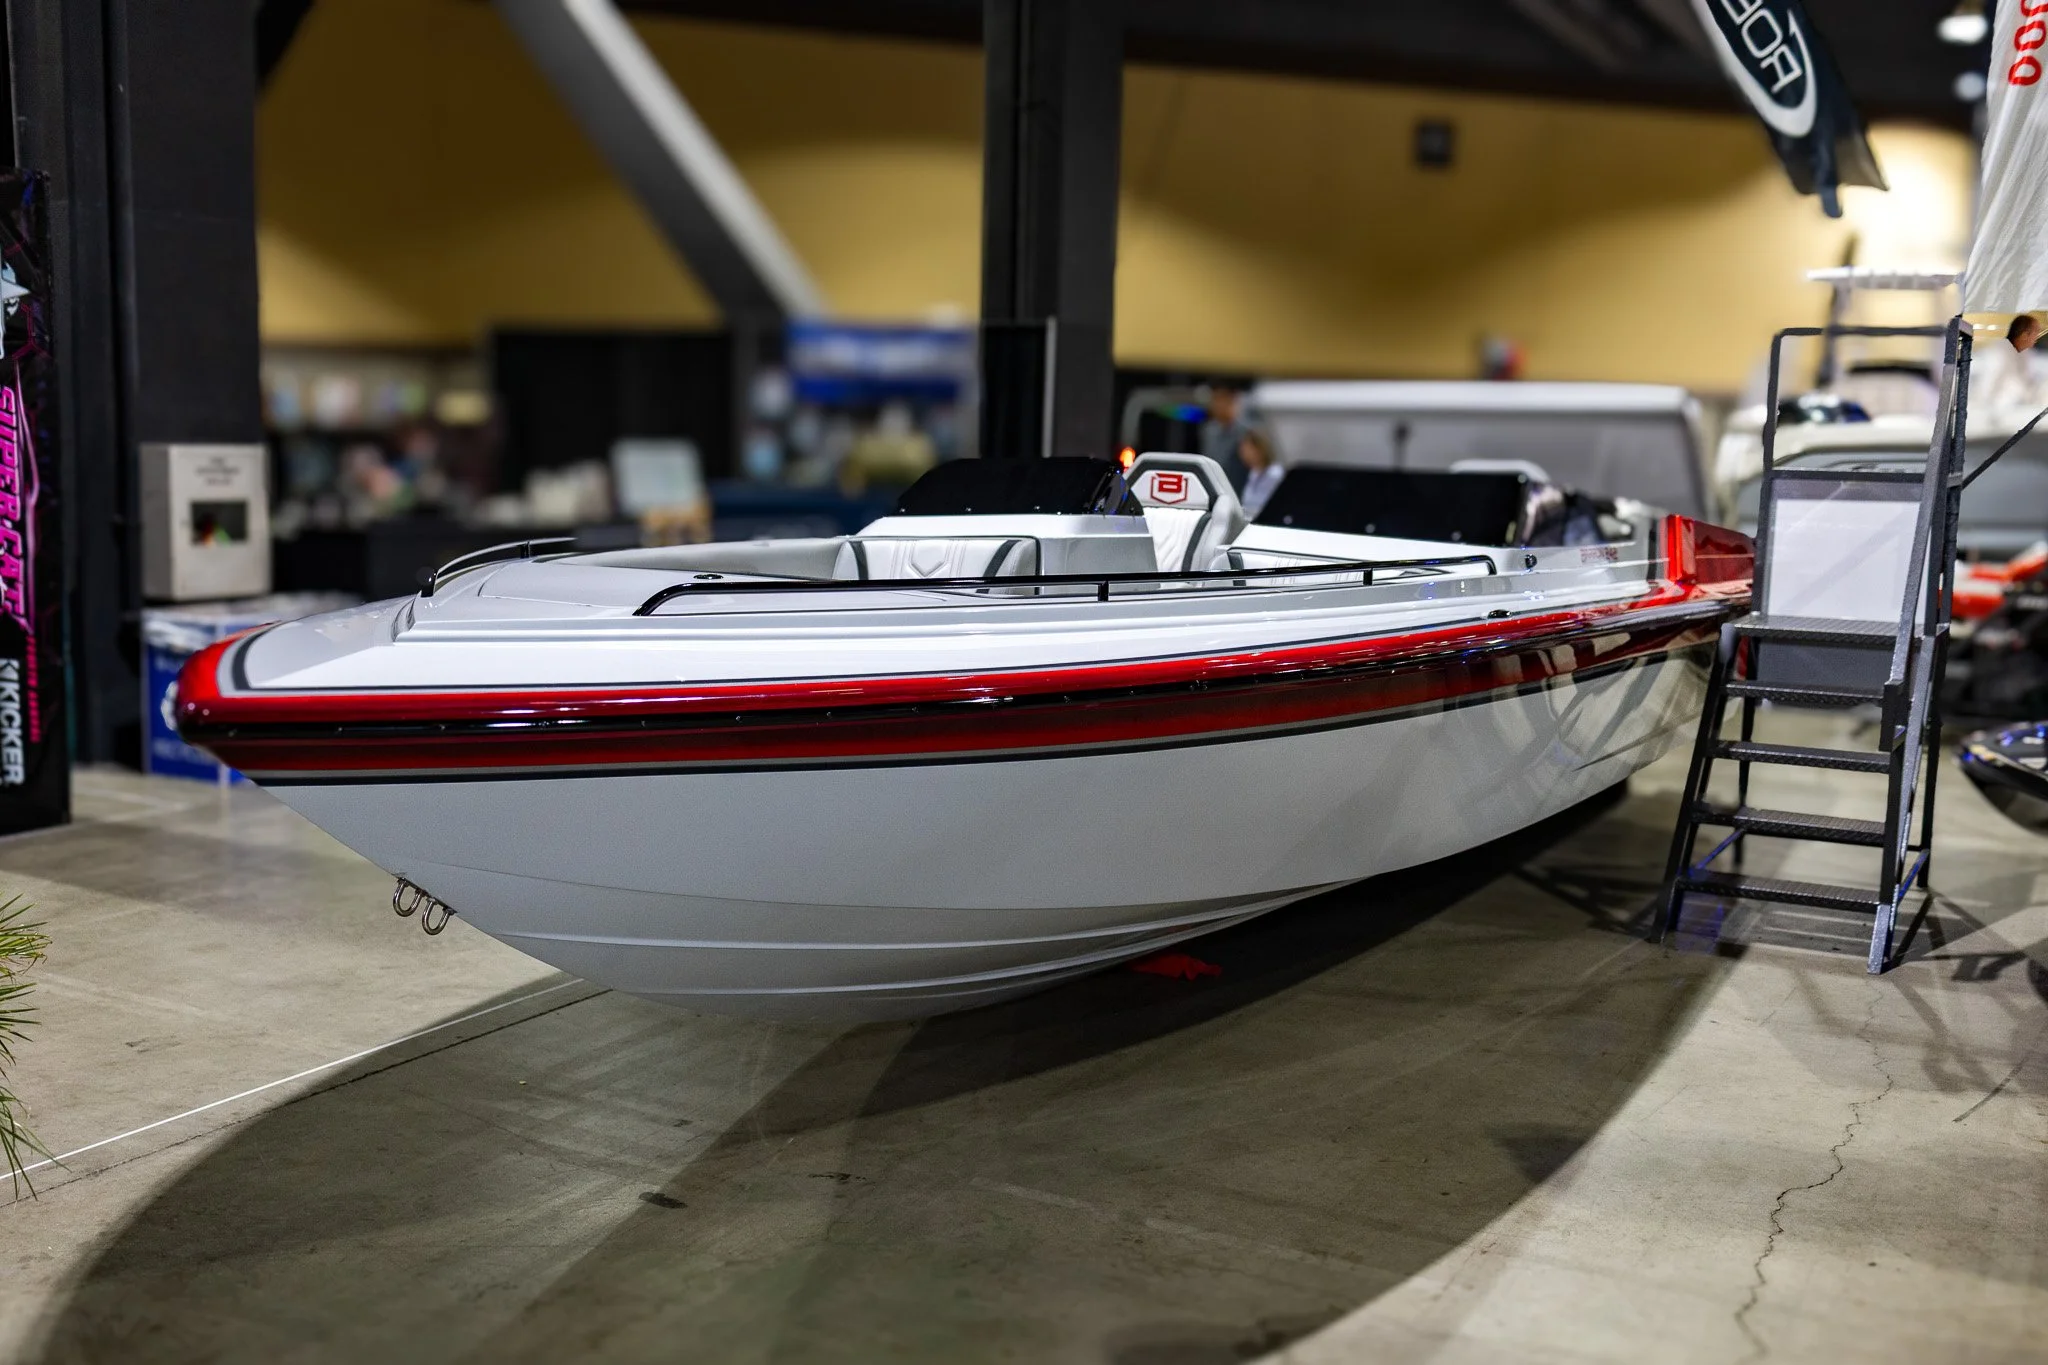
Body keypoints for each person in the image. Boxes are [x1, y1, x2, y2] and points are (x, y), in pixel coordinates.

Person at [1201, 385, 1252, 493]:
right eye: (1215, 400)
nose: (1217, 405)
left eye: (1222, 400)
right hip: (1213, 487)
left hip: (1239, 489)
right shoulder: (1209, 430)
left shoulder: (1246, 432)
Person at [1238, 429, 1284, 519]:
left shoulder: (1275, 474)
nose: (1243, 453)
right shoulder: (1254, 472)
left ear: (1260, 449)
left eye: (1247, 448)